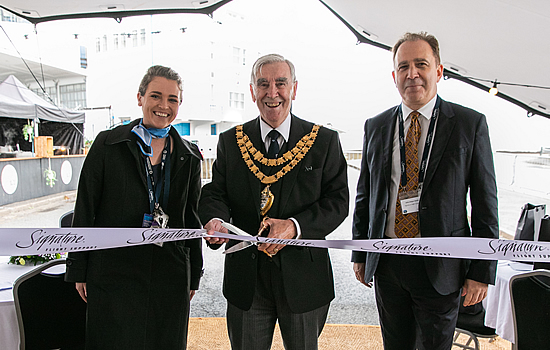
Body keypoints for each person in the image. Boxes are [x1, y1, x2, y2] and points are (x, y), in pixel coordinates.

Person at [351, 32, 499, 350]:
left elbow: (485, 202)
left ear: (439, 71)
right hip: (388, 265)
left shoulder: (469, 124)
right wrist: (360, 253)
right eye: (403, 66)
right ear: (394, 76)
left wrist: (482, 271)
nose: (412, 73)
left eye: (421, 64)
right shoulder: (375, 127)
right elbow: (366, 194)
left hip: (442, 268)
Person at [199, 53, 349, 350]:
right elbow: (215, 192)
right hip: (247, 280)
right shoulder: (231, 141)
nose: (272, 93)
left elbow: (338, 201)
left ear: (294, 88)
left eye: (281, 83)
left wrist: (294, 227)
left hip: (304, 280)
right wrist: (215, 220)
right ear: (252, 91)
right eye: (263, 84)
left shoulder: (323, 141)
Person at [65, 65, 203, 349]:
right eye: (155, 96)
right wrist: (78, 267)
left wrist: (194, 272)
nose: (164, 105)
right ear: (140, 97)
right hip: (113, 271)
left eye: (172, 99)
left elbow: (192, 218)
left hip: (169, 273)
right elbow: (86, 206)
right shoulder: (108, 144)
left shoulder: (189, 156)